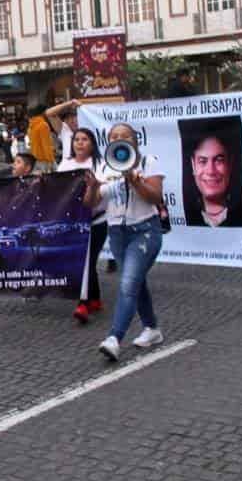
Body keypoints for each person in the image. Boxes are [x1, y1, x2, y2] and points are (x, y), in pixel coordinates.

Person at [85, 123, 165, 361]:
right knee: (136, 283)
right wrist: (91, 188)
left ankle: (114, 338)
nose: (119, 139)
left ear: (135, 140)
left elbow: (155, 197)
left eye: (124, 136)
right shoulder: (104, 166)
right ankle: (152, 328)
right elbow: (90, 203)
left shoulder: (148, 161)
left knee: (128, 283)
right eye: (113, 136)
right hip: (118, 234)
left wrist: (134, 179)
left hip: (145, 232)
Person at [58, 128, 108, 324]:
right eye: (76, 139)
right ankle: (94, 298)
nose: (79, 143)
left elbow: (104, 189)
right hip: (74, 222)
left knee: (87, 260)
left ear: (92, 144)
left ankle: (83, 303)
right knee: (86, 261)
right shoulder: (65, 164)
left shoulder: (101, 164)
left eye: (84, 139)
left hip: (97, 221)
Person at [183, 130, 242, 228]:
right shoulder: (185, 214)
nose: (210, 171)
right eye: (202, 161)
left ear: (230, 164)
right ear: (193, 166)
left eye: (219, 160)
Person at [45, 99, 80, 164]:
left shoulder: (87, 129)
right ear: (65, 121)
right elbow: (49, 113)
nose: (72, 120)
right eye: (68, 118)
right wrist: (70, 103)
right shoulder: (64, 130)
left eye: (75, 117)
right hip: (67, 168)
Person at [26, 106, 55, 173]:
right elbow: (46, 144)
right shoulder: (43, 125)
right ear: (43, 113)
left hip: (35, 158)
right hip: (44, 159)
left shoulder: (31, 126)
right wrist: (51, 160)